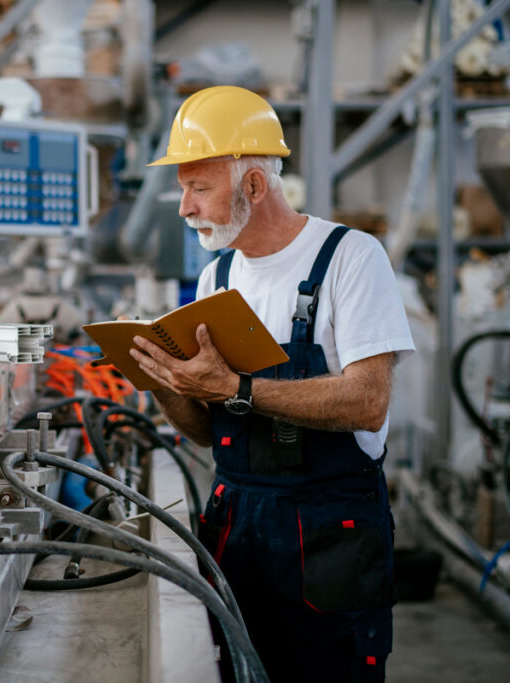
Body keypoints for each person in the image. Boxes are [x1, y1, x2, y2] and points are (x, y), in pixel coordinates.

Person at [128, 86, 415, 683]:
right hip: (238, 524)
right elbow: (208, 432)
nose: (183, 207)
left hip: (330, 536)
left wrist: (236, 386)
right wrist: (163, 379)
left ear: (253, 187)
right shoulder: (217, 276)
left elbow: (368, 400)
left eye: (197, 188)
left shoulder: (350, 259)